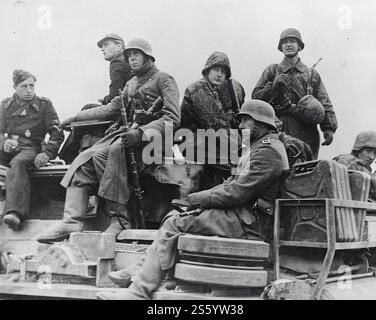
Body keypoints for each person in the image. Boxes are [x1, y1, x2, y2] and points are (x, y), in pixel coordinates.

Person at [96, 99, 289, 300]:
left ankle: (139, 292)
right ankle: (140, 272)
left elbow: (236, 192)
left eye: (245, 121)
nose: (240, 126)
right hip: (240, 215)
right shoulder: (259, 147)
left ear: (260, 123)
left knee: (175, 224)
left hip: (248, 223)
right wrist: (198, 199)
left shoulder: (268, 151)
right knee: (174, 215)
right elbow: (230, 185)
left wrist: (197, 198)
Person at [36, 38, 180, 242]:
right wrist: (76, 117)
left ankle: (120, 220)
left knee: (112, 152)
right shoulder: (131, 83)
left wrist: (142, 133)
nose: (131, 60)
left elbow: (172, 118)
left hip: (151, 142)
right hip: (126, 135)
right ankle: (71, 221)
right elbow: (110, 109)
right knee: (85, 157)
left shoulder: (164, 79)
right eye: (129, 56)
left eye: (136, 55)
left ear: (148, 56)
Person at [252, 28, 338, 159]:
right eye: (285, 42)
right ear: (281, 47)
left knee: (305, 170)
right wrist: (273, 87)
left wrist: (329, 128)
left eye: (292, 41)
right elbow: (256, 99)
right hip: (278, 128)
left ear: (299, 46)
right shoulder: (272, 71)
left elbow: (324, 101)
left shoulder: (311, 74)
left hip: (306, 130)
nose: (288, 45)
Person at [0, 70, 64, 230]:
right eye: (24, 86)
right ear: (15, 87)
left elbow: (57, 132)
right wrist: (3, 142)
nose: (29, 90)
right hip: (8, 147)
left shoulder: (44, 105)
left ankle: (14, 213)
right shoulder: (6, 105)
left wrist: (47, 153)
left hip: (31, 147)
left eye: (31, 86)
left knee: (19, 163)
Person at [59, 33, 133, 163]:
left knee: (87, 109)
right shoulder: (127, 61)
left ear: (119, 46)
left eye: (106, 45)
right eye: (101, 47)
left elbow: (115, 94)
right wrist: (106, 99)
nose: (102, 49)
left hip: (122, 113)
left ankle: (67, 155)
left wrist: (106, 100)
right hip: (127, 108)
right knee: (89, 110)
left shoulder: (117, 61)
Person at [180, 51, 245, 187]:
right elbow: (214, 124)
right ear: (207, 70)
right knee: (237, 166)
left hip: (213, 140)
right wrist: (240, 149)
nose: (219, 74)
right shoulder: (197, 89)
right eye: (216, 69)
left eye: (223, 71)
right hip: (194, 140)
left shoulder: (227, 89)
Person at [334, 130, 376, 202]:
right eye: (368, 151)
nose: (372, 157)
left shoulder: (343, 160)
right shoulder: (351, 162)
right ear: (358, 149)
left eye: (375, 153)